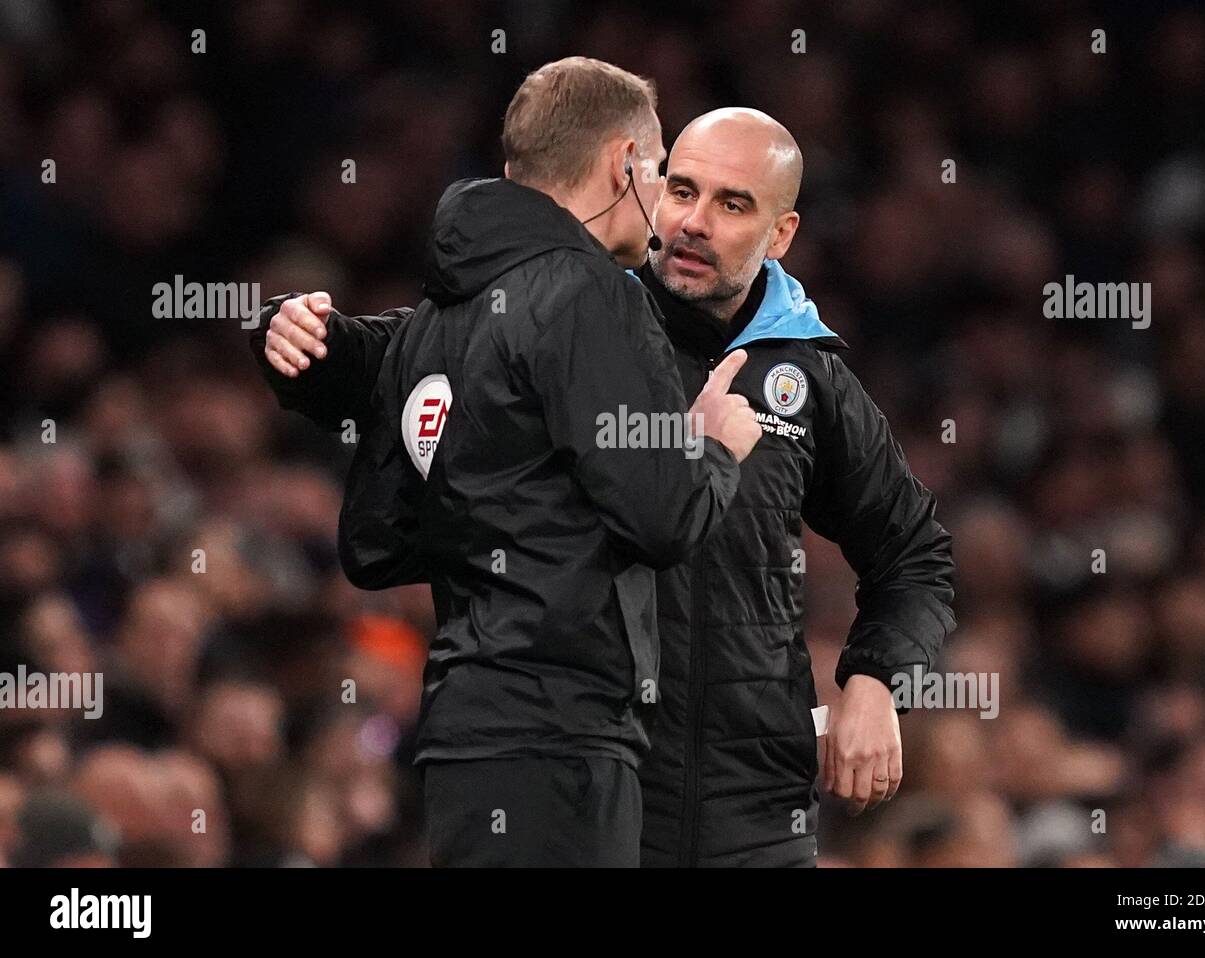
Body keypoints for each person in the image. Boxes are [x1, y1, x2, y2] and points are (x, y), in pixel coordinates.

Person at [254, 107, 954, 867]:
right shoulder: (579, 315)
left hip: (760, 808)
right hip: (599, 785)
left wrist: (879, 682)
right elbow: (402, 350)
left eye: (732, 204)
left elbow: (914, 556)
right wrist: (299, 337)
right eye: (680, 189)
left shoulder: (807, 379)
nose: (692, 222)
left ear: (781, 234)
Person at [253, 59, 760, 867]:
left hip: (467, 730)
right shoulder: (592, 293)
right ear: (622, 163)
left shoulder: (449, 308)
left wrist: (288, 331)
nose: (664, 200)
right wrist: (714, 445)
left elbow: (374, 359)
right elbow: (662, 514)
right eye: (661, 168)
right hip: (559, 730)